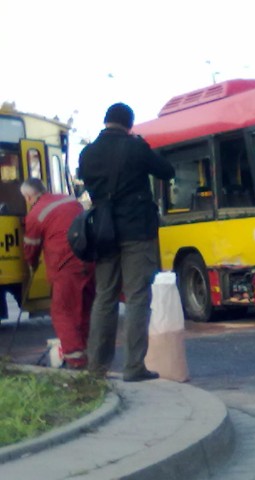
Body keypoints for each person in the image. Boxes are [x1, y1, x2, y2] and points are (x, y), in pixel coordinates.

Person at [78, 102, 175, 382]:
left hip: (103, 233)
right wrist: (141, 145)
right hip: (136, 232)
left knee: (104, 297)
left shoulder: (88, 153)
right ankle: (134, 367)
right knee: (136, 298)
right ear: (129, 124)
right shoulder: (135, 147)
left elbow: (88, 182)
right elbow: (166, 171)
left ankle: (96, 368)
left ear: (106, 121)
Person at [20, 178, 95, 369]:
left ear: (29, 197)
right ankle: (88, 353)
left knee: (63, 312)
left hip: (65, 266)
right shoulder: (68, 200)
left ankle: (75, 361)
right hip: (88, 262)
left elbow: (30, 248)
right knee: (84, 310)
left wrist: (31, 264)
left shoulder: (35, 214)